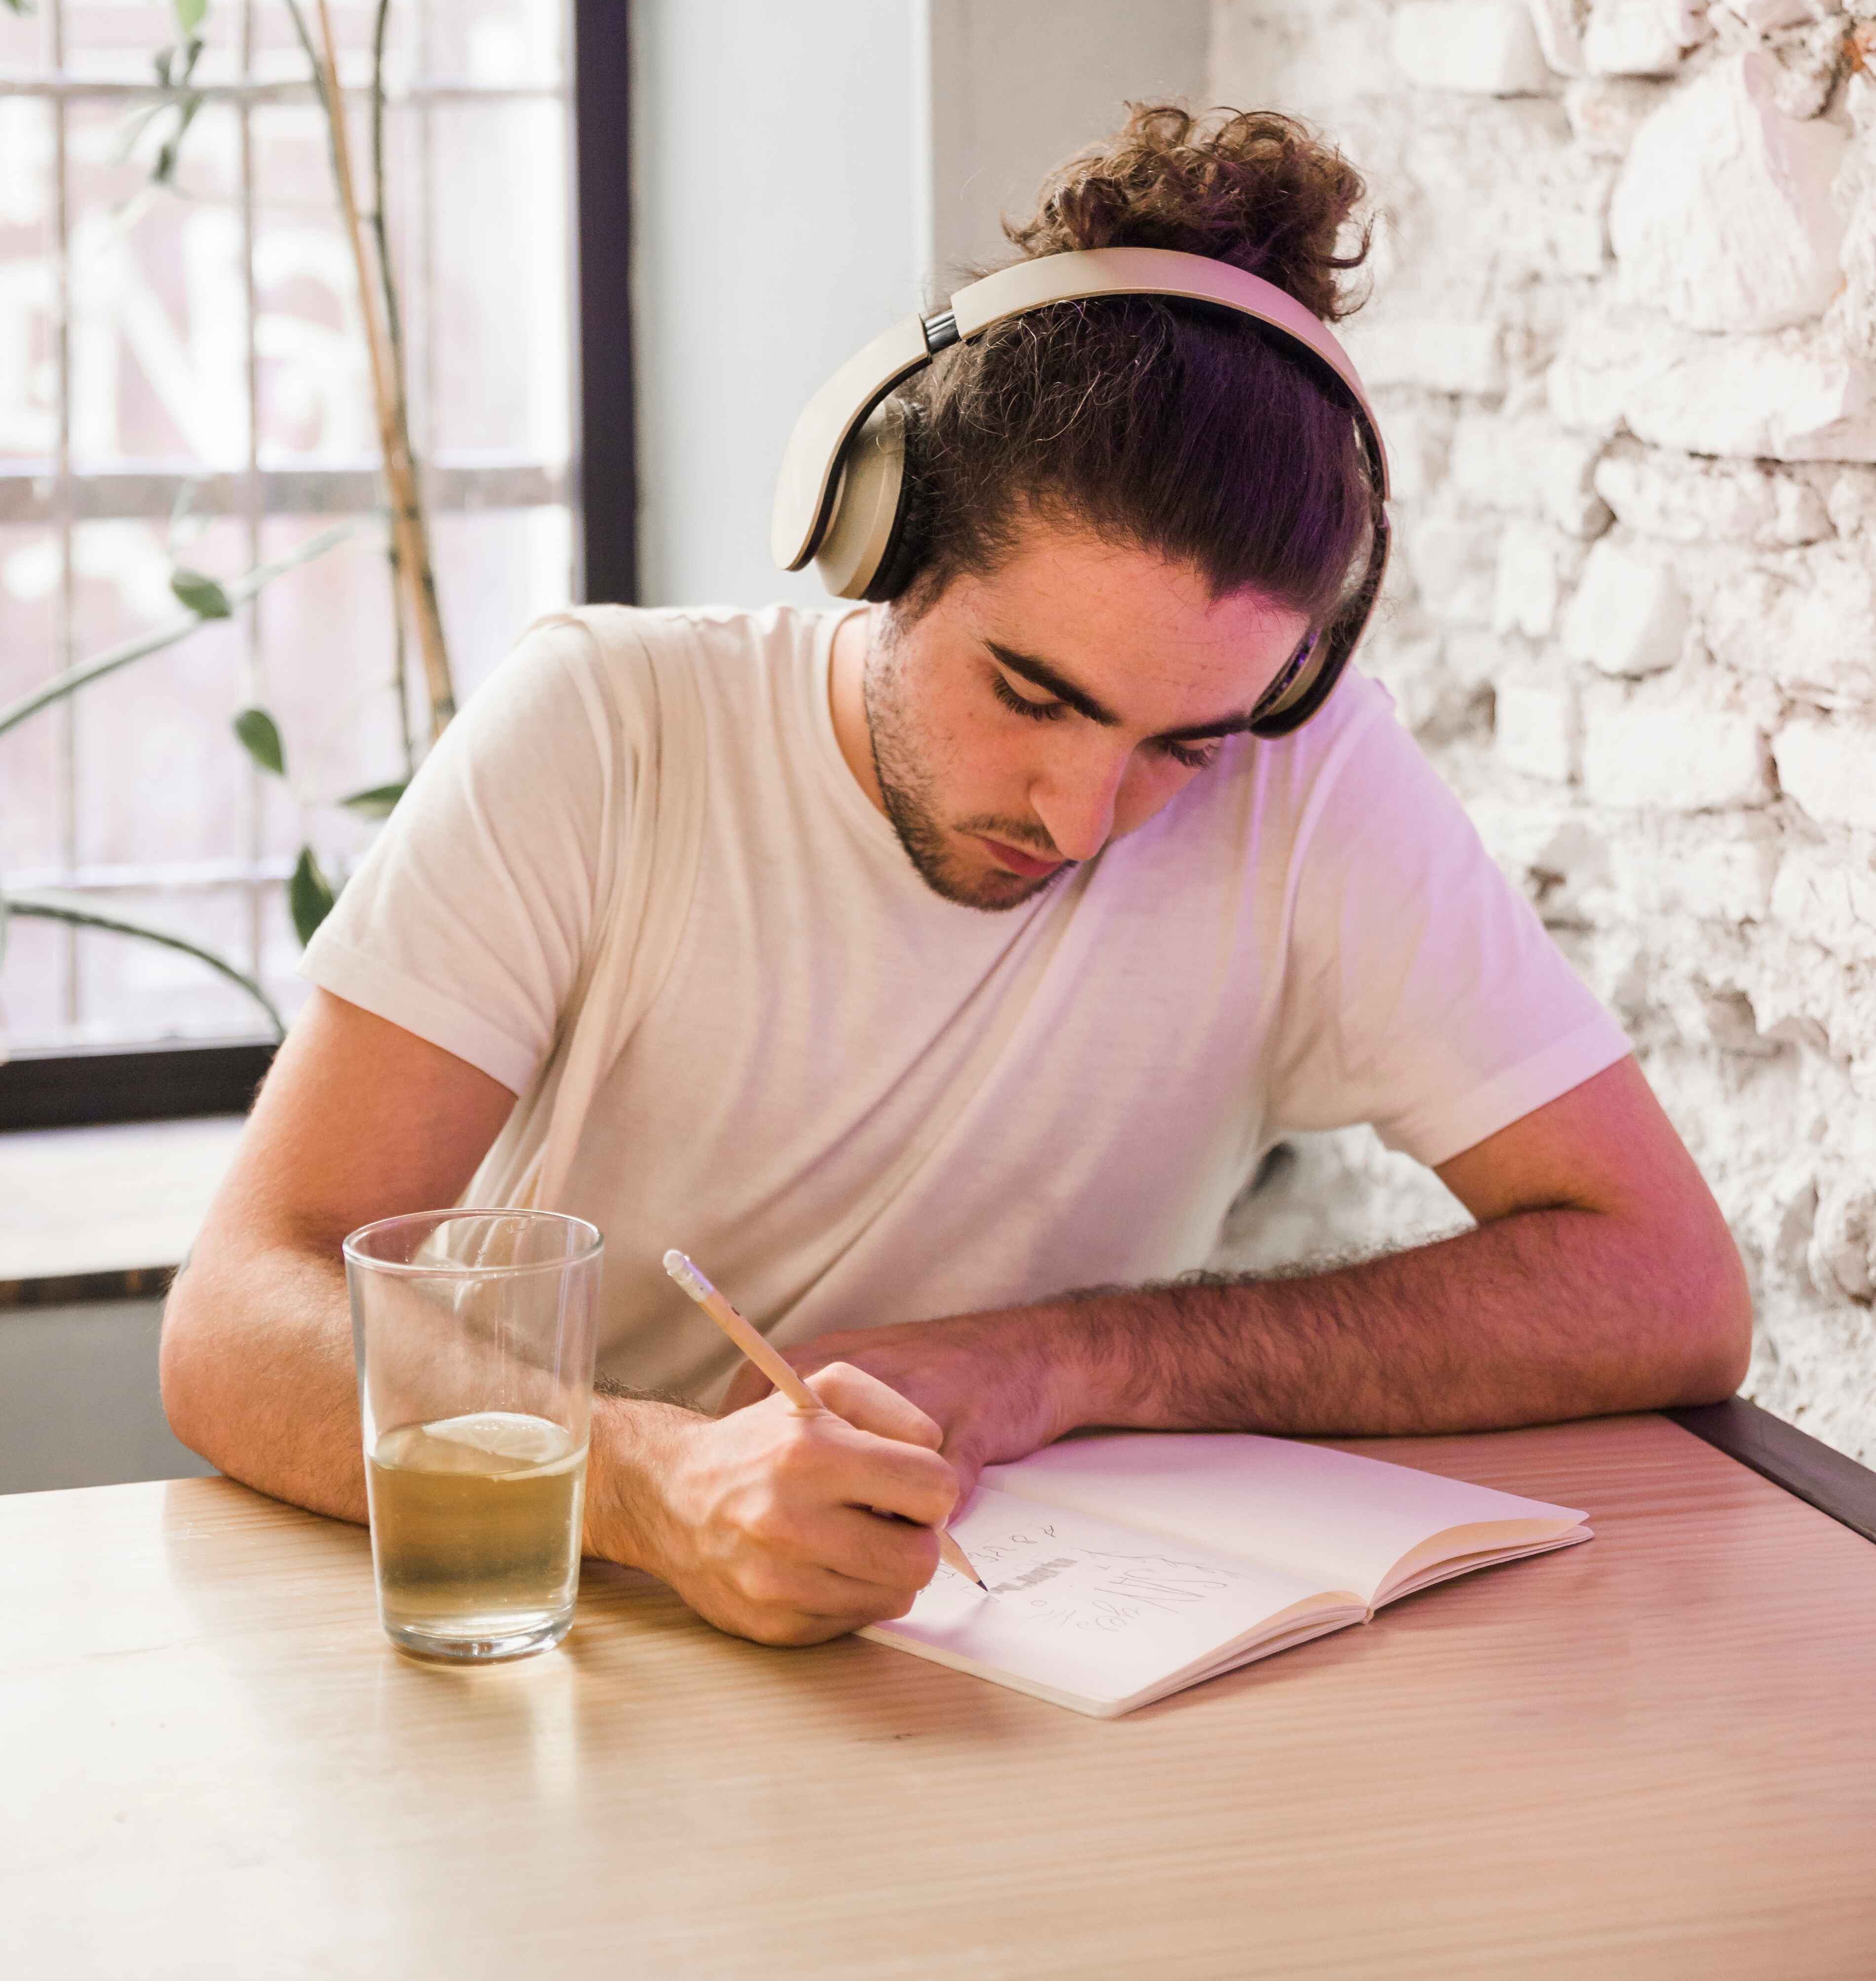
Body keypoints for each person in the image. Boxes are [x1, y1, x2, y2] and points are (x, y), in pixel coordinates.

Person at [161, 105, 1751, 1648]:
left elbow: (1665, 1288)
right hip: (575, 1633)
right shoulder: (607, 728)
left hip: (991, 1659)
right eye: (1032, 696)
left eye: (1177, 746)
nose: (1080, 818)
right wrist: (655, 1483)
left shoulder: (1305, 778)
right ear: (877, 539)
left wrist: (1059, 1360)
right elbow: (238, 1316)